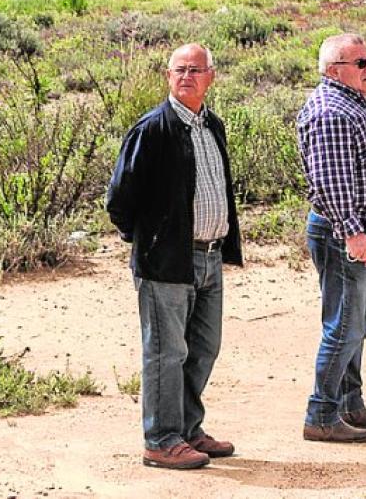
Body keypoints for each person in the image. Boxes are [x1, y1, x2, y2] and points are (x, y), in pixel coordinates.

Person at [106, 42, 243, 470]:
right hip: (166, 262)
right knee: (166, 352)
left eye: (195, 70)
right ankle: (161, 439)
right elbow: (119, 199)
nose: (187, 76)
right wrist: (149, 239)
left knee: (203, 348)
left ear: (211, 76)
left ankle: (186, 429)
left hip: (209, 257)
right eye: (179, 70)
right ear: (168, 77)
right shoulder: (152, 128)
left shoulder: (212, 126)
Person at [297, 32, 366, 442]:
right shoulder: (331, 111)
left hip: (361, 233)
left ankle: (350, 404)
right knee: (344, 325)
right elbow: (331, 181)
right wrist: (353, 232)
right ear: (334, 70)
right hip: (346, 234)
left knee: (358, 323)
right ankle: (322, 414)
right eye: (360, 63)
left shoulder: (355, 102)